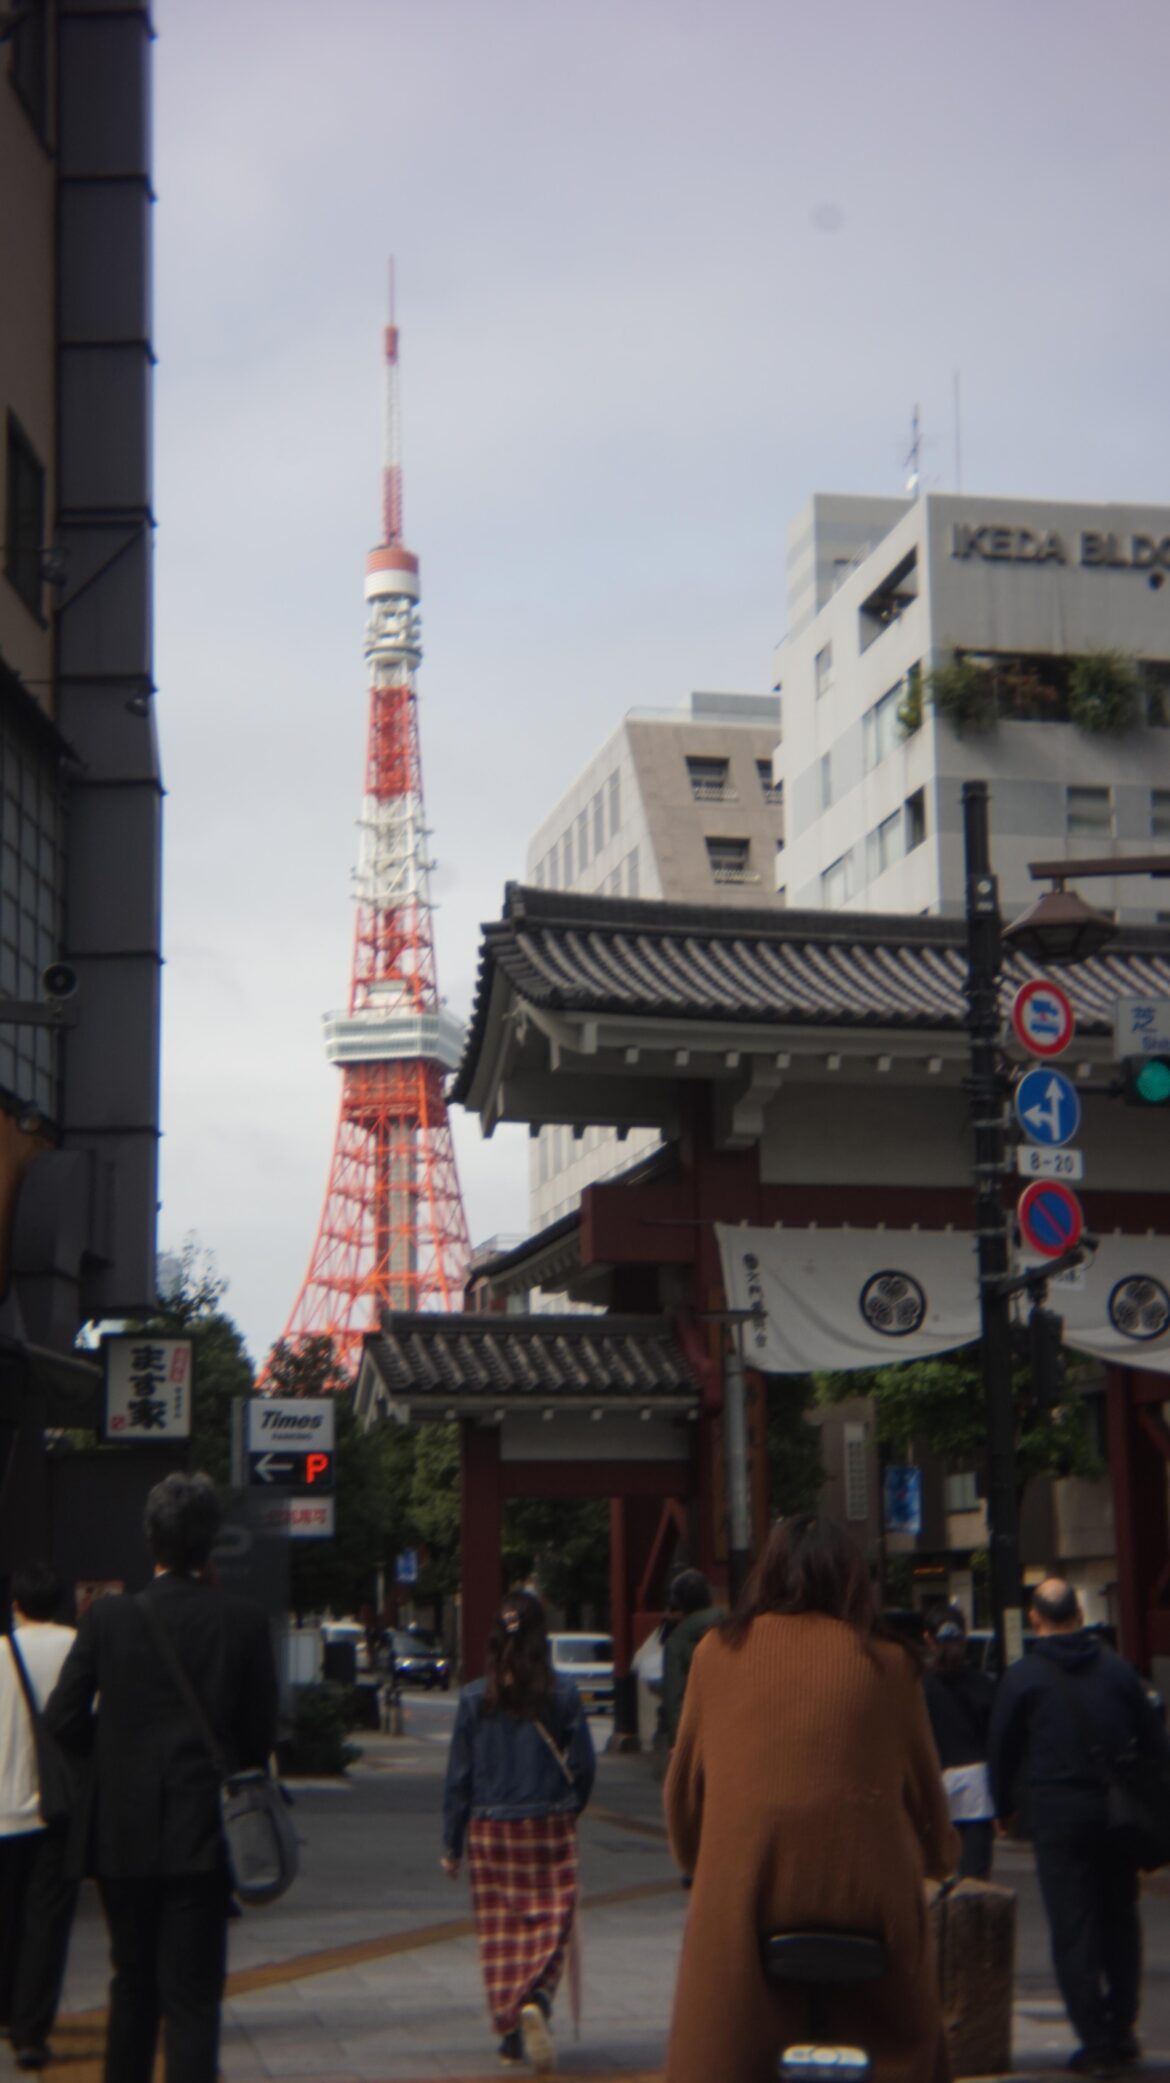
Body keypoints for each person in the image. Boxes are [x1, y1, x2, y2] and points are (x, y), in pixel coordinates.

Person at [663, 1514, 957, 2083]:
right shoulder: (889, 1663)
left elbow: (683, 1799)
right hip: (873, 1913)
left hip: (748, 1900)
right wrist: (942, 1856)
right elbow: (928, 1799)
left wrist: (696, 1857)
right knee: (906, 2046)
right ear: (853, 1580)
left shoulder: (716, 1654)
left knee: (719, 2046)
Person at [45, 1472, 278, 2083]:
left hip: (120, 1835)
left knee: (132, 1987)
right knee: (193, 1998)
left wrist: (114, 1756)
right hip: (203, 1833)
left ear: (151, 1540)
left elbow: (63, 1717)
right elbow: (258, 1735)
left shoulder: (108, 1620)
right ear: (211, 1542)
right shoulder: (244, 1621)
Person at [989, 1578, 1169, 2076]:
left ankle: (1093, 2040)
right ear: (1079, 1613)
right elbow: (1155, 1742)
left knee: (1073, 1929)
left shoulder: (1024, 1677)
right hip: (1115, 1813)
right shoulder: (1117, 1671)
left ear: (1035, 1618)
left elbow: (1002, 1748)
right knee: (1119, 1919)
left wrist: (1004, 1807)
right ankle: (1121, 2028)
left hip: (1057, 1812)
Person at [441, 1590, 595, 2073]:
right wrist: (570, 1808)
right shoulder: (563, 1694)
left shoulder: (473, 1698)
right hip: (548, 1823)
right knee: (553, 1922)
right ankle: (538, 2005)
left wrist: (452, 1843)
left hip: (490, 1829)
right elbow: (585, 1765)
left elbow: (458, 1778)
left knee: (501, 1934)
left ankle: (510, 2038)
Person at [0, 1563, 78, 2072]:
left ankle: (7, 2011)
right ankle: (31, 2033)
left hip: (0, 1811)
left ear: (16, 1605)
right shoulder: (79, 1645)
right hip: (58, 1807)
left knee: (5, 1919)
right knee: (45, 1924)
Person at [922, 1603, 996, 1881]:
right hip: (978, 1787)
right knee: (975, 1880)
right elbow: (995, 1741)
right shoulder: (983, 1686)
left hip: (933, 1784)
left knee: (933, 1877)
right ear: (963, 1637)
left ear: (927, 1639)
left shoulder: (918, 1688)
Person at [661, 1569, 722, 1747]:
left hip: (697, 1733)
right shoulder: (732, 1628)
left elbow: (674, 1701)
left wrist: (679, 1748)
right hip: (733, 1729)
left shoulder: (677, 1642)